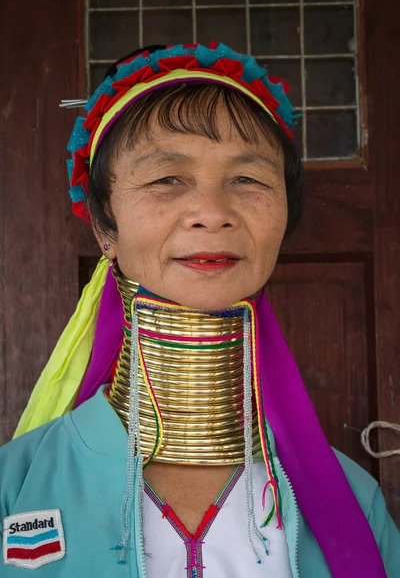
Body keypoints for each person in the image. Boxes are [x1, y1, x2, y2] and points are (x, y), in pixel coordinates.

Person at [0, 42, 399, 577]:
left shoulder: (355, 502)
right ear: (104, 227)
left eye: (248, 179)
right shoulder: (16, 488)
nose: (212, 214)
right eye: (167, 179)